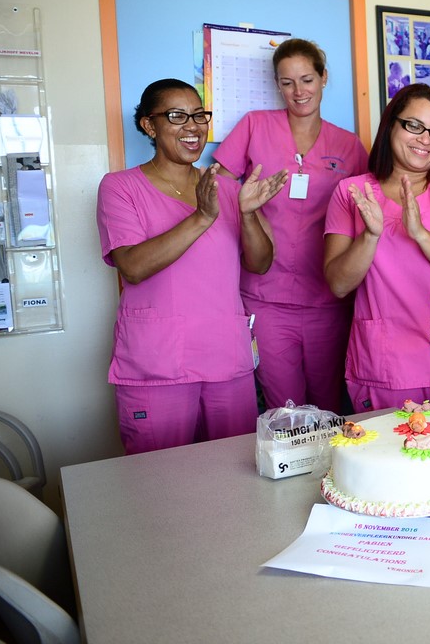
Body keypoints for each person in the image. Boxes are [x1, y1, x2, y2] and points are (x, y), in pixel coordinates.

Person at [97, 78, 288, 454]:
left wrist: (248, 215)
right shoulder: (120, 188)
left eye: (199, 115)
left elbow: (261, 262)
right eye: (177, 116)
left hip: (226, 361)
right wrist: (201, 217)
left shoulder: (230, 189)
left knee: (235, 478)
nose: (193, 127)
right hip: (158, 365)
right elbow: (132, 266)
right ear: (149, 126)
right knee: (159, 483)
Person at [214, 38, 368, 414]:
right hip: (266, 297)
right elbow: (217, 186)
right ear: (276, 84)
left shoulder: (348, 145)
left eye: (307, 80)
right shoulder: (254, 126)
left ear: (324, 78)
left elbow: (368, 209)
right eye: (287, 82)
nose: (298, 92)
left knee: (329, 406)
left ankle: (326, 475)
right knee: (286, 410)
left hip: (328, 300)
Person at [323, 84, 430, 411]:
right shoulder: (352, 192)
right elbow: (338, 284)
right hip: (388, 366)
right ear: (391, 125)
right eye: (414, 126)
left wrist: (420, 234)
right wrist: (370, 236)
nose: (425, 139)